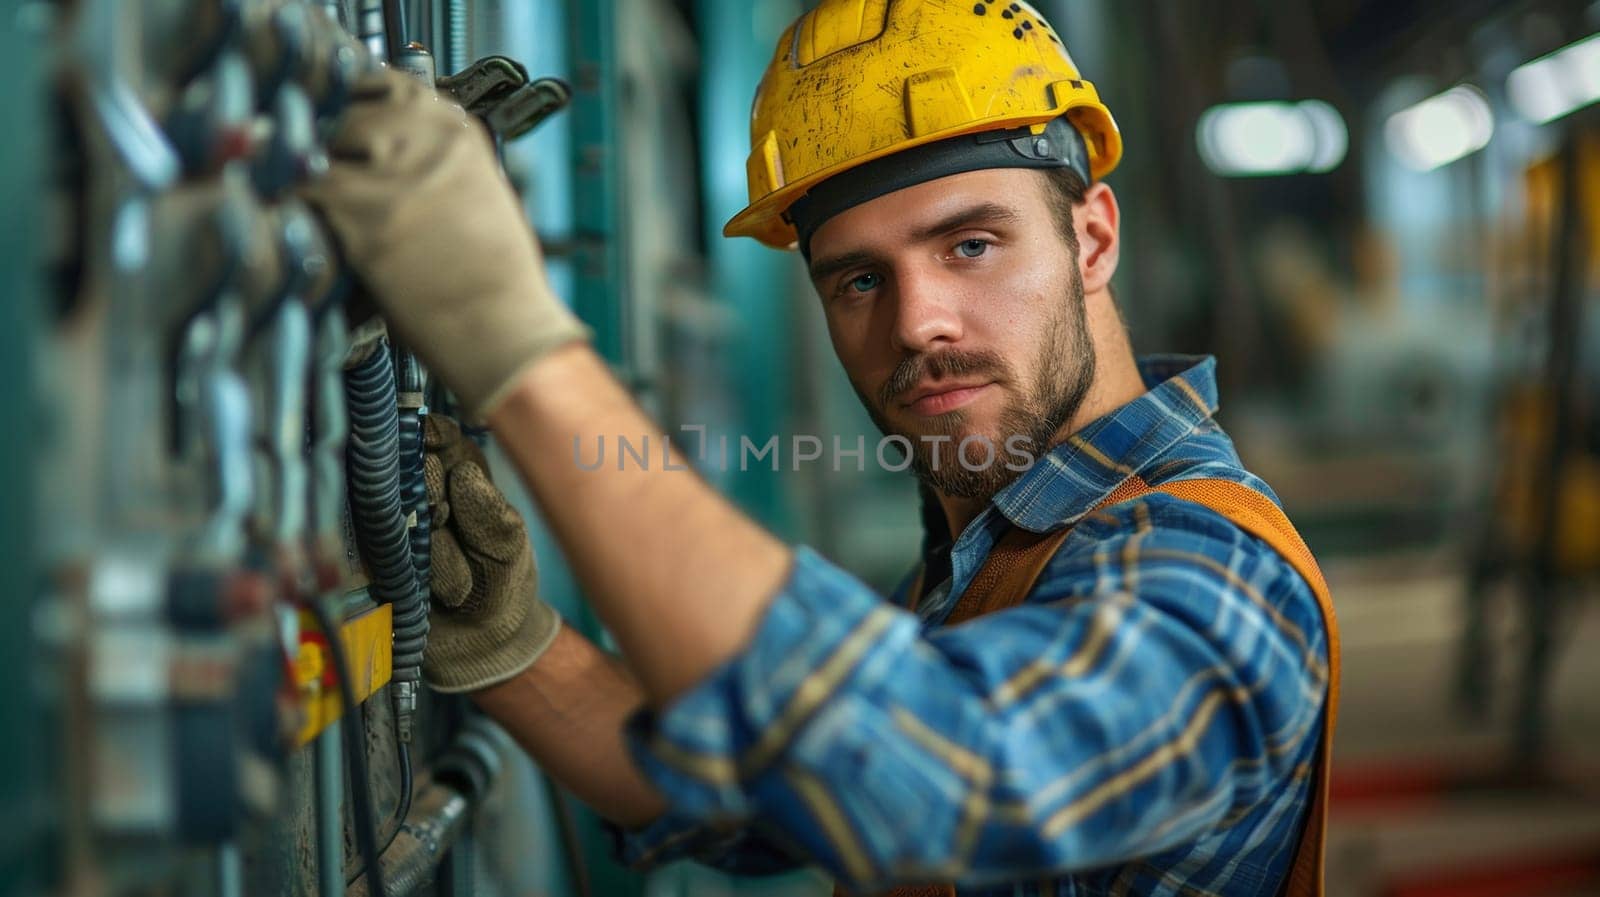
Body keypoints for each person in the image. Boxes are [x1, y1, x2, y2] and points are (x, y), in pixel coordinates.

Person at [304, 1, 1339, 894]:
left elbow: (950, 781)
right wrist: (513, 647)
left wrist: (516, 346)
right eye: (857, 279)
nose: (917, 322)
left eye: (969, 244)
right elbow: (753, 794)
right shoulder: (993, 559)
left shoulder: (1212, 567)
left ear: (1092, 238)